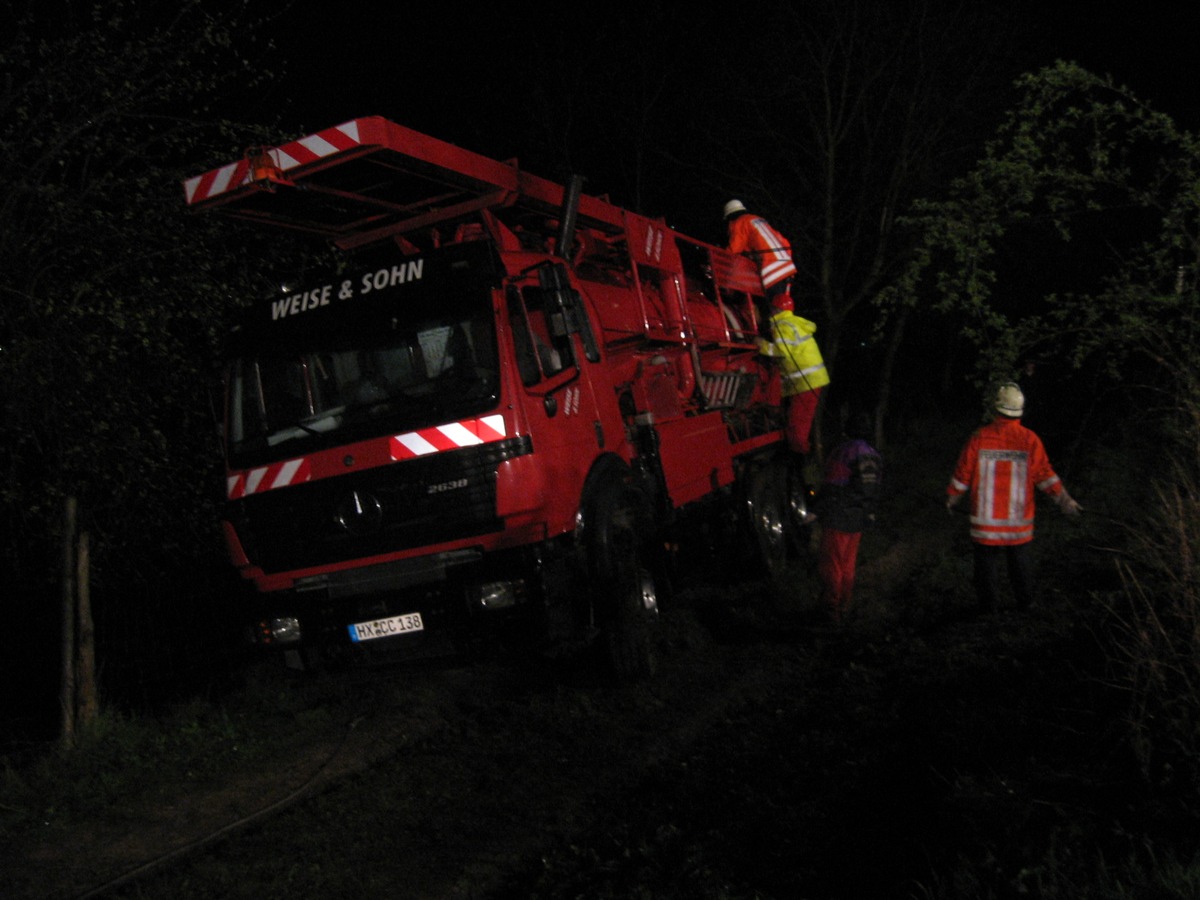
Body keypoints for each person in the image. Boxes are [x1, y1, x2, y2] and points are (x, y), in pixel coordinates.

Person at [945, 382, 1082, 612]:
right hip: (1018, 521)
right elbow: (1045, 476)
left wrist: (953, 497)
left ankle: (988, 609)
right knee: (1020, 564)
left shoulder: (979, 437)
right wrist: (1065, 501)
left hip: (985, 523)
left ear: (996, 408)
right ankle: (1026, 604)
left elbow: (963, 472)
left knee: (985, 567)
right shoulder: (1029, 440)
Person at [815, 412, 883, 623]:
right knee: (847, 565)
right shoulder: (872, 454)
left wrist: (817, 510)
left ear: (847, 430)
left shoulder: (842, 452)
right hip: (857, 519)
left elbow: (830, 485)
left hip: (838, 517)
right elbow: (871, 490)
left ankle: (831, 610)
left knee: (832, 565)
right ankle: (844, 605)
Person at [757, 294, 830, 456]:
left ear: (776, 310)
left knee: (797, 426)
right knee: (797, 423)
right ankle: (801, 460)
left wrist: (762, 346)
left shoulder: (782, 326)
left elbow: (782, 352)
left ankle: (802, 461)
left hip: (806, 382)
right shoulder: (793, 323)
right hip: (809, 381)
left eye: (771, 309)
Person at [724, 200, 797, 305]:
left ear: (729, 217)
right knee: (784, 307)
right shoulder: (758, 220)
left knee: (774, 310)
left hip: (771, 270)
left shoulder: (739, 223)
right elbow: (785, 243)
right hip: (787, 267)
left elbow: (734, 249)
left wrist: (721, 259)